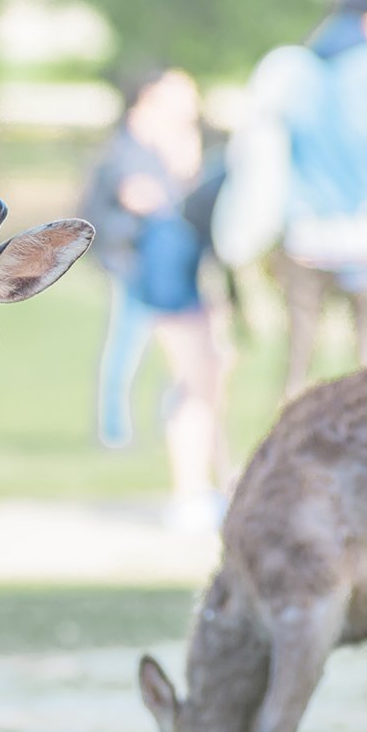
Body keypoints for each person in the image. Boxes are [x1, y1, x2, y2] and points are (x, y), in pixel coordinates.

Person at [216, 0, 367, 399]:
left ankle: (287, 445)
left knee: (300, 355)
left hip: (305, 232)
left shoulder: (289, 68)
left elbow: (255, 146)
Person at [82, 67, 234, 531]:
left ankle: (218, 483)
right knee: (182, 372)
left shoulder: (171, 145)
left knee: (208, 372)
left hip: (175, 269)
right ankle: (186, 488)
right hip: (149, 269)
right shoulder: (131, 150)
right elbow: (144, 200)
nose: (190, 102)